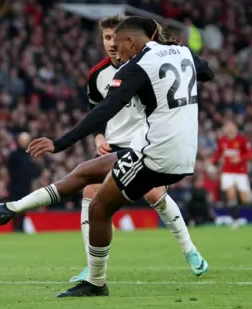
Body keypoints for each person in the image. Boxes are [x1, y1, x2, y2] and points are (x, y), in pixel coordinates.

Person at [0, 17, 214, 297]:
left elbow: (103, 111)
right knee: (85, 172)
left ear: (130, 42)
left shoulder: (136, 66)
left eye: (118, 43)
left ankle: (96, 282)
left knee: (99, 208)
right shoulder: (182, 52)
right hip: (179, 151)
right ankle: (11, 208)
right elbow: (206, 72)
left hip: (155, 153)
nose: (115, 50)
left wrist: (60, 142)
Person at [71, 15, 207, 283]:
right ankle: (92, 265)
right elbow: (96, 110)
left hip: (142, 143)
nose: (111, 43)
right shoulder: (97, 75)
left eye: (115, 37)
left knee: (154, 195)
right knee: (90, 193)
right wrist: (99, 138)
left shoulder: (146, 63)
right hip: (113, 146)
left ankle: (190, 250)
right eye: (106, 38)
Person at [210, 120, 252, 229]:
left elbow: (250, 153)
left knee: (245, 199)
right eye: (227, 127)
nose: (229, 130)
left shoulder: (242, 140)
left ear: (235, 128)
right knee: (230, 194)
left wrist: (240, 157)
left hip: (240, 172)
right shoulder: (222, 141)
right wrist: (212, 162)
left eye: (231, 127)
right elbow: (218, 153)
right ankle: (235, 219)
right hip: (227, 172)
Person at [7, 132, 40, 232]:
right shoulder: (14, 155)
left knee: (23, 209)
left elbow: (34, 172)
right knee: (15, 208)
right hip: (15, 186)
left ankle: (20, 228)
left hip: (26, 186)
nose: (24, 142)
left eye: (26, 140)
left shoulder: (30, 155)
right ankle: (16, 228)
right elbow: (9, 170)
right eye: (23, 140)